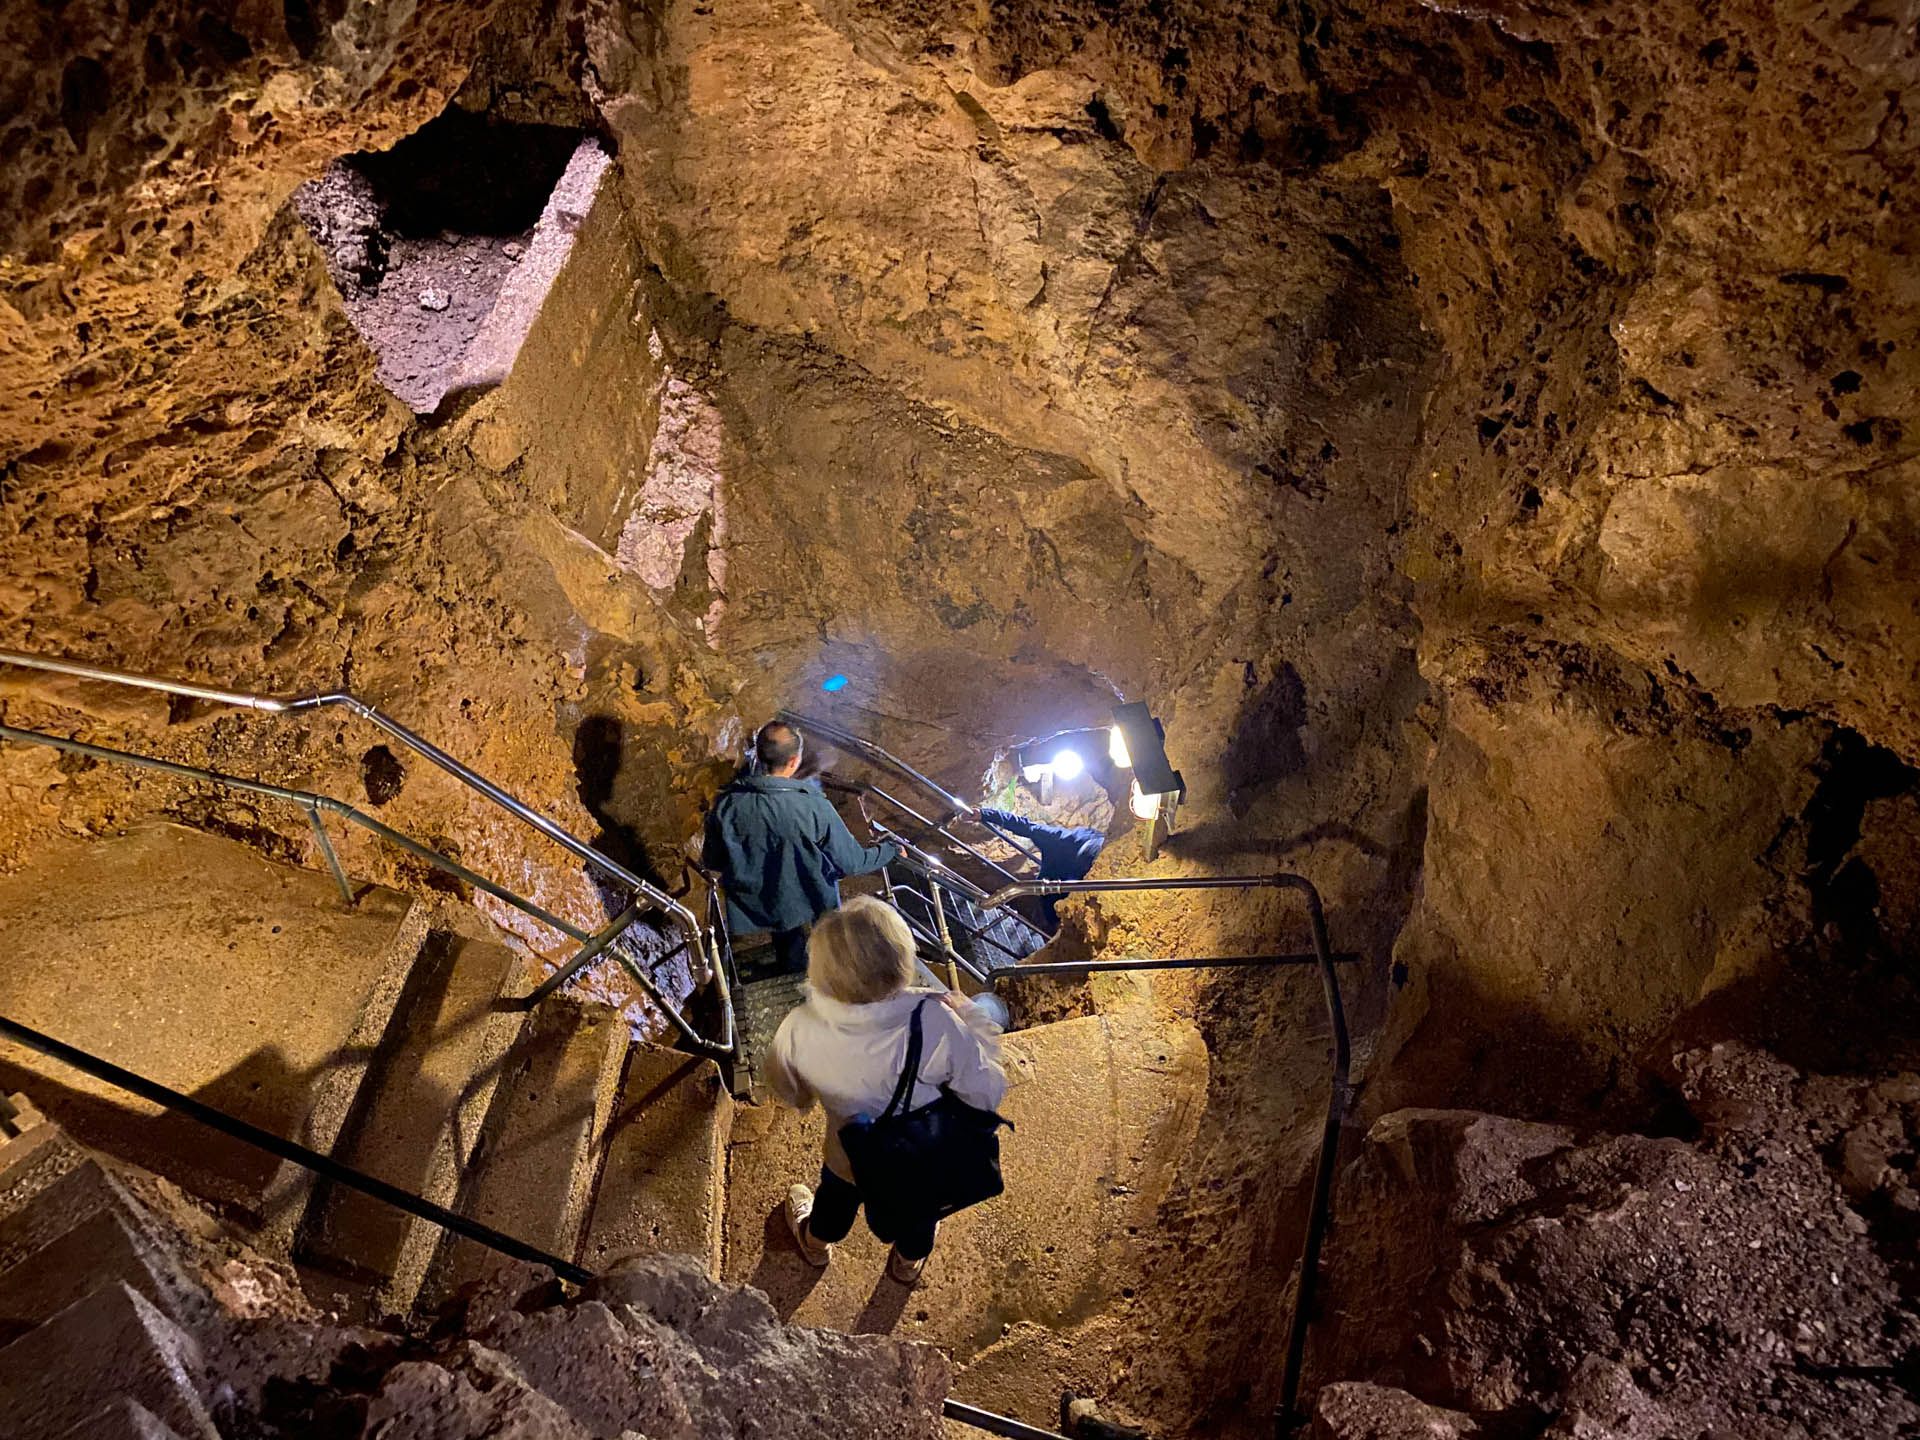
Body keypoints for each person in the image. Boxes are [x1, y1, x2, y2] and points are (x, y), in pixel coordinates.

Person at [767, 896, 1007, 1286]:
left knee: (837, 1198)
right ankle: (909, 1262)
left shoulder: (800, 1028)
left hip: (850, 1151)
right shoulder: (934, 1017)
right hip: (923, 1154)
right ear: (901, 960)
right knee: (921, 1211)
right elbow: (986, 1092)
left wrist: (812, 1096)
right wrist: (973, 1019)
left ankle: (815, 1242)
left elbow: (788, 1087)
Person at [703, 721, 901, 972]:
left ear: (759, 755)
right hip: (814, 896)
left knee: (789, 945)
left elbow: (713, 860)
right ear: (794, 761)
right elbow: (852, 862)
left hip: (771, 901)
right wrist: (890, 849)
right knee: (829, 945)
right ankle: (832, 978)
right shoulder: (812, 806)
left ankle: (795, 972)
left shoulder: (727, 805)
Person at [977, 805, 1105, 931]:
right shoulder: (1061, 839)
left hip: (1061, 894)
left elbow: (1026, 826)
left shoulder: (1090, 843)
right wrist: (983, 814)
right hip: (1052, 896)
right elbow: (1026, 826)